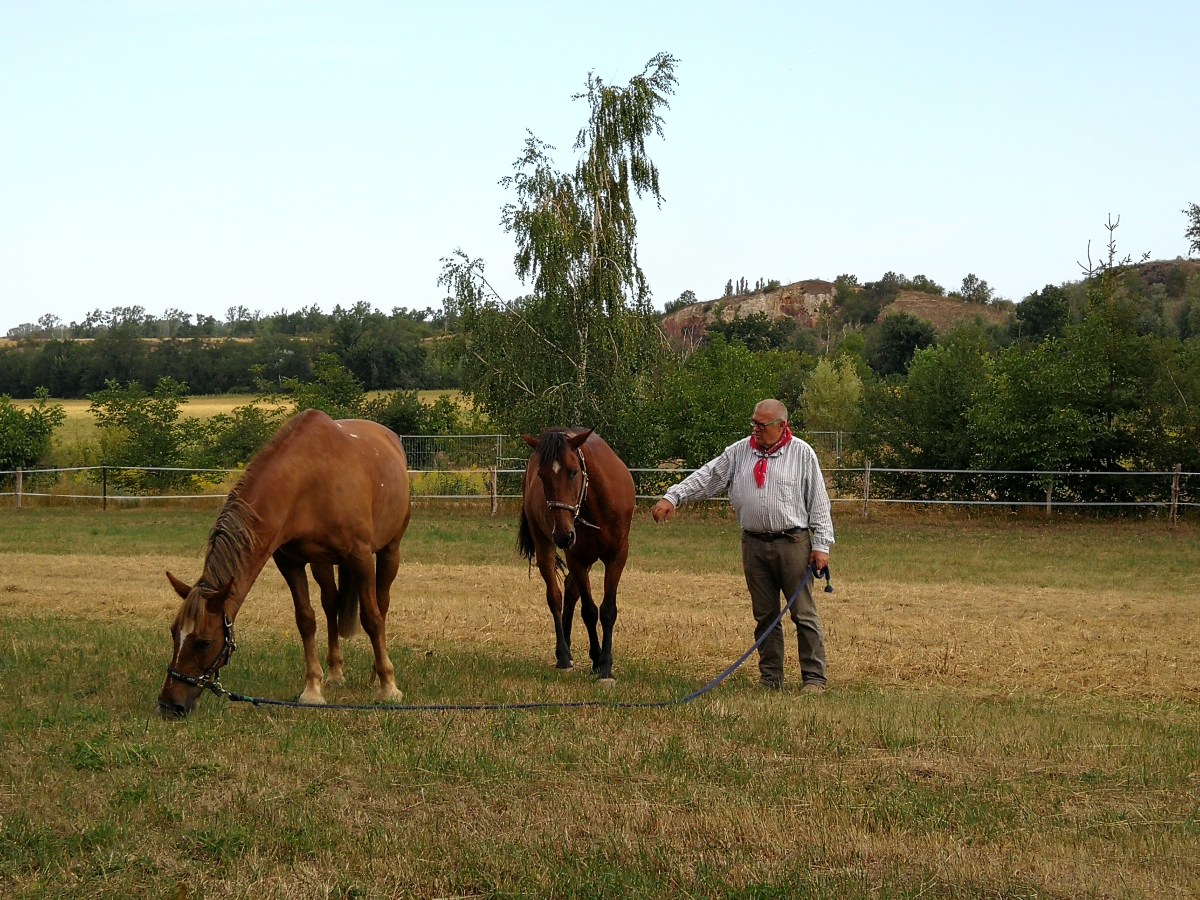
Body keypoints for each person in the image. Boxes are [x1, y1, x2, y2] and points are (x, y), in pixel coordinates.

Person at [651, 399, 834, 693]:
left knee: (803, 613)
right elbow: (707, 476)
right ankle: (770, 679)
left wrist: (822, 545)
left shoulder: (802, 453)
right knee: (765, 616)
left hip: (793, 543)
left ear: (782, 426)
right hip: (754, 544)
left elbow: (819, 502)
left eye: (762, 425)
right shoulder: (738, 452)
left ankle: (814, 678)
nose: (755, 429)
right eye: (754, 423)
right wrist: (673, 496)